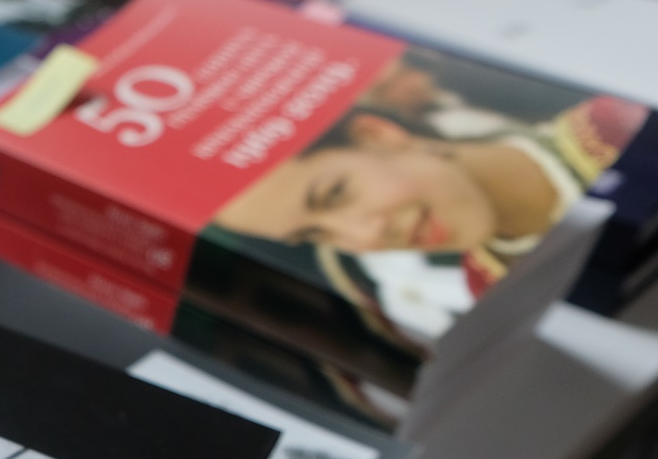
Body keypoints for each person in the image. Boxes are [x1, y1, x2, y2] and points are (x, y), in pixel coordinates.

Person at [213, 92, 644, 294]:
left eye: (336, 194)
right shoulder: (489, 290)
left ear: (378, 135)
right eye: (315, 235)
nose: (365, 237)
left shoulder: (621, 121)